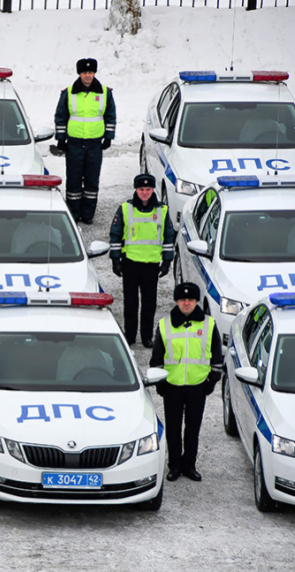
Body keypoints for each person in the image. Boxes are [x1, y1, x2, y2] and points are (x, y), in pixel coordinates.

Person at [150, 282, 222, 482]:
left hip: (197, 385)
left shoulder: (209, 324)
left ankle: (189, 465)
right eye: (183, 300)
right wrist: (160, 382)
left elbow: (216, 356)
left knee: (193, 427)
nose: (187, 303)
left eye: (190, 300)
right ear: (176, 301)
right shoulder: (164, 325)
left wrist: (212, 381)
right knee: (173, 428)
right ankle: (174, 466)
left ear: (196, 301)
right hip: (172, 386)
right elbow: (157, 357)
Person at [109, 173, 175, 348]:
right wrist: (115, 260)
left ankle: (146, 336)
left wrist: (167, 261)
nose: (144, 192)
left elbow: (168, 237)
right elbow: (115, 235)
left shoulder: (162, 211)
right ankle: (130, 336)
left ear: (153, 190)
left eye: (148, 189)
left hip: (151, 264)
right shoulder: (124, 209)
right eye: (141, 189)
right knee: (130, 302)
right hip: (130, 263)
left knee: (149, 303)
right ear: (136, 190)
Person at [53, 57, 116, 224]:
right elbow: (61, 116)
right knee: (73, 180)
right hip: (74, 144)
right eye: (84, 72)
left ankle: (88, 214)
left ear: (94, 73)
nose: (87, 75)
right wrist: (61, 138)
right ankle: (73, 214)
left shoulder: (104, 93)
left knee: (91, 180)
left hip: (95, 144)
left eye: (90, 72)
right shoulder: (68, 93)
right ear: (79, 73)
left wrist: (108, 137)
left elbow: (110, 116)